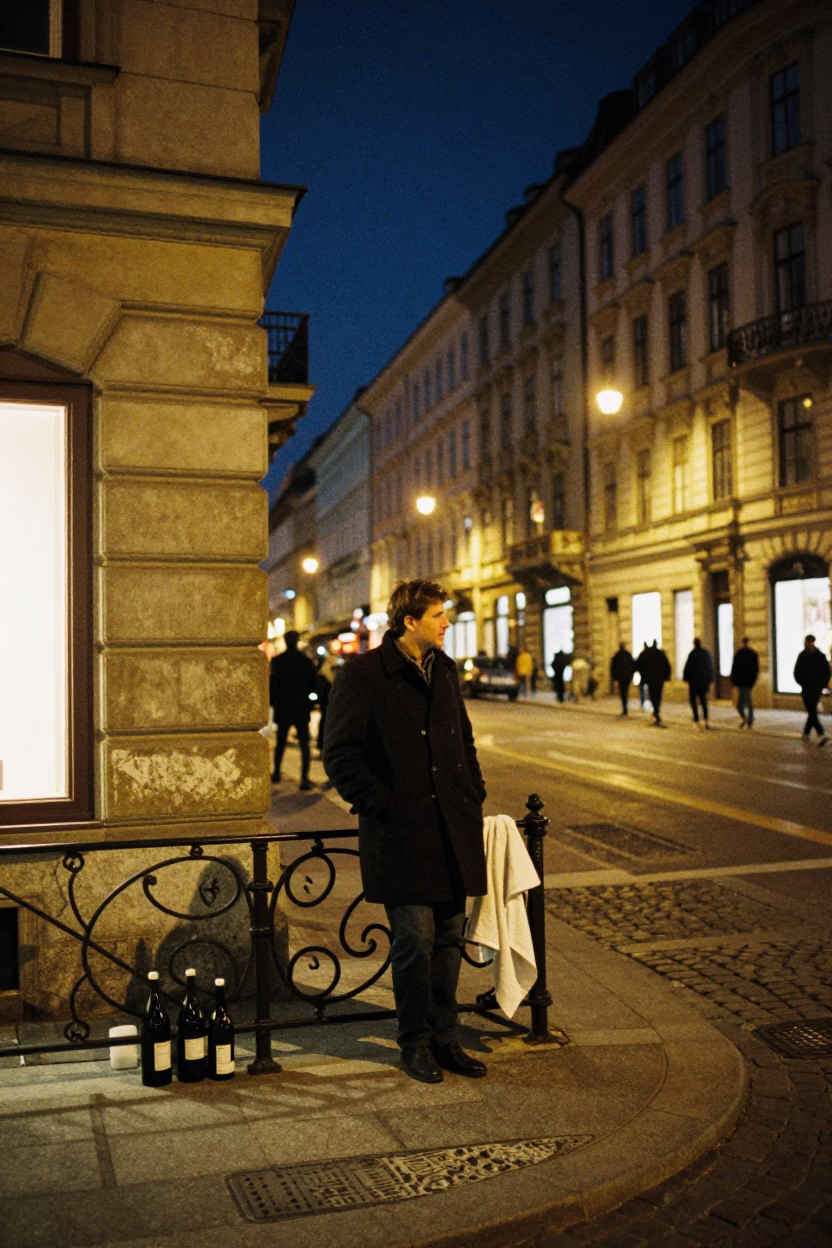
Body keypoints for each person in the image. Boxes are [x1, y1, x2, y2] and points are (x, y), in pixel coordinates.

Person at [323, 579, 488, 1084]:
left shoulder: (445, 670)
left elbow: (462, 739)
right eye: (438, 615)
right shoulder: (363, 674)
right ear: (410, 621)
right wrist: (385, 805)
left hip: (450, 828)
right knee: (415, 941)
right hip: (401, 834)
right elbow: (340, 754)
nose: (447, 623)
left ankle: (445, 1037)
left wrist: (472, 791)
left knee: (449, 941)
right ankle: (414, 1041)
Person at [269, 630, 318, 789]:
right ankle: (304, 778)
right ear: (297, 641)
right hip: (301, 706)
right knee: (304, 744)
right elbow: (313, 684)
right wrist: (311, 701)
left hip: (283, 706)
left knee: (281, 742)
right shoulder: (305, 661)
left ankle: (276, 772)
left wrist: (274, 702)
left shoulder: (277, 661)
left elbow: (272, 684)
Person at [793, 634, 831, 746]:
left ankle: (820, 733)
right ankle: (807, 733)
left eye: (811, 642)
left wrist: (823, 684)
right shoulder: (802, 656)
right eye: (809, 642)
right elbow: (796, 672)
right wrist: (802, 683)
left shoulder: (820, 656)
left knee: (812, 711)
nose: (810, 644)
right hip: (806, 688)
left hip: (816, 688)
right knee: (812, 710)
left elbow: (827, 672)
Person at [637, 640, 671, 726]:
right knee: (658, 695)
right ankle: (656, 712)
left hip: (650, 679)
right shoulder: (661, 654)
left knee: (653, 695)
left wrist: (643, 676)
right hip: (659, 679)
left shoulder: (645, 654)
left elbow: (638, 665)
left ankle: (656, 712)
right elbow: (667, 666)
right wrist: (666, 676)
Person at [683, 637, 714, 728]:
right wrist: (709, 679)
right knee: (703, 700)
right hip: (703, 682)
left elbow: (687, 668)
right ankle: (706, 719)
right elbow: (710, 667)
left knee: (693, 700)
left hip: (694, 682)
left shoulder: (692, 654)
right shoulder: (706, 654)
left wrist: (686, 678)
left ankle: (696, 718)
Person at [730, 637, 759, 729]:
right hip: (741, 682)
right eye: (745, 642)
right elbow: (734, 668)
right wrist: (734, 681)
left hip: (748, 682)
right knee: (740, 704)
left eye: (747, 642)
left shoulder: (752, 654)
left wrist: (753, 681)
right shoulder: (739, 653)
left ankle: (749, 719)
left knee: (748, 701)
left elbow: (755, 669)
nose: (746, 644)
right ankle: (747, 718)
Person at [610, 642, 635, 717]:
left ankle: (624, 708)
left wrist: (614, 678)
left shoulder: (617, 655)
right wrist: (631, 675)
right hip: (627, 677)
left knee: (622, 693)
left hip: (621, 678)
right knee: (625, 692)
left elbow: (613, 667)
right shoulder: (628, 655)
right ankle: (625, 708)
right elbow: (633, 666)